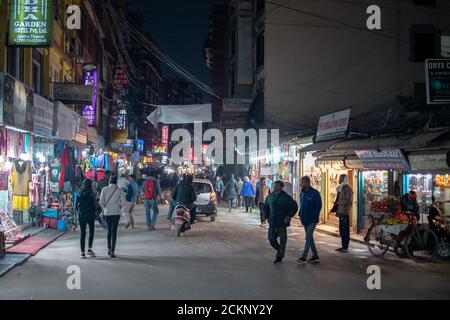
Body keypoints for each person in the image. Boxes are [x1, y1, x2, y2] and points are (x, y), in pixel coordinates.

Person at [263, 180, 298, 264]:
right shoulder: (270, 196)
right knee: (271, 239)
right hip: (272, 222)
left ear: (281, 187)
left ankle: (279, 256)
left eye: (276, 186)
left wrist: (289, 216)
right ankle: (280, 250)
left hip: (282, 222)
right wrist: (266, 216)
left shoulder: (286, 197)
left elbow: (294, 207)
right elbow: (266, 206)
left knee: (283, 240)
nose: (275, 188)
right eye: (274, 186)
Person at [99, 175, 126, 258]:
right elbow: (124, 202)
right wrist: (119, 205)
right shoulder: (119, 190)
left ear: (109, 181)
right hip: (116, 212)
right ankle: (112, 251)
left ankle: (108, 248)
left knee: (109, 230)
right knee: (114, 231)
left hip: (107, 213)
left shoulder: (104, 189)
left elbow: (101, 202)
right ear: (116, 182)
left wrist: (104, 208)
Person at [298, 176, 322, 264]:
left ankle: (304, 256)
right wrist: (300, 214)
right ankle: (315, 255)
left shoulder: (315, 193)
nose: (300, 184)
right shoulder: (302, 194)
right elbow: (302, 205)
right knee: (310, 237)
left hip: (312, 220)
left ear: (307, 183)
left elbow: (318, 206)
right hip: (304, 219)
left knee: (308, 236)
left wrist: (314, 216)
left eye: (302, 182)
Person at [76, 179, 98, 259]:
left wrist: (79, 212)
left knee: (83, 233)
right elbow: (95, 205)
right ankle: (89, 249)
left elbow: (76, 205)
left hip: (81, 216)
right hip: (90, 215)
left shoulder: (79, 193)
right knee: (91, 232)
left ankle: (82, 253)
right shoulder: (92, 194)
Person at [334, 174, 353, 253]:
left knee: (345, 230)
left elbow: (348, 201)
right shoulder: (341, 188)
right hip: (340, 212)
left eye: (341, 178)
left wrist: (339, 202)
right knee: (341, 230)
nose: (339, 179)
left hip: (345, 212)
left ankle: (345, 247)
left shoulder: (348, 189)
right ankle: (343, 246)